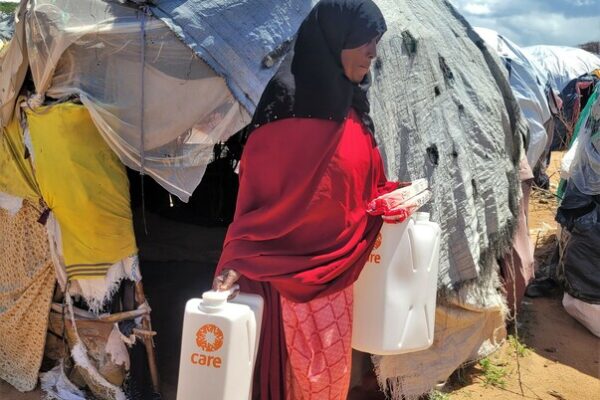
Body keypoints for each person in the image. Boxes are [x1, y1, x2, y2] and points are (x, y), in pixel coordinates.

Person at [213, 1, 398, 398]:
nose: (373, 53)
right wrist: (240, 255)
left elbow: (361, 186)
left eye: (377, 43)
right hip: (281, 283)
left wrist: (387, 199)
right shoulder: (286, 107)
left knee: (326, 386)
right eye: (366, 40)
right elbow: (259, 201)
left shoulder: (354, 107)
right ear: (335, 37)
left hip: (334, 283)